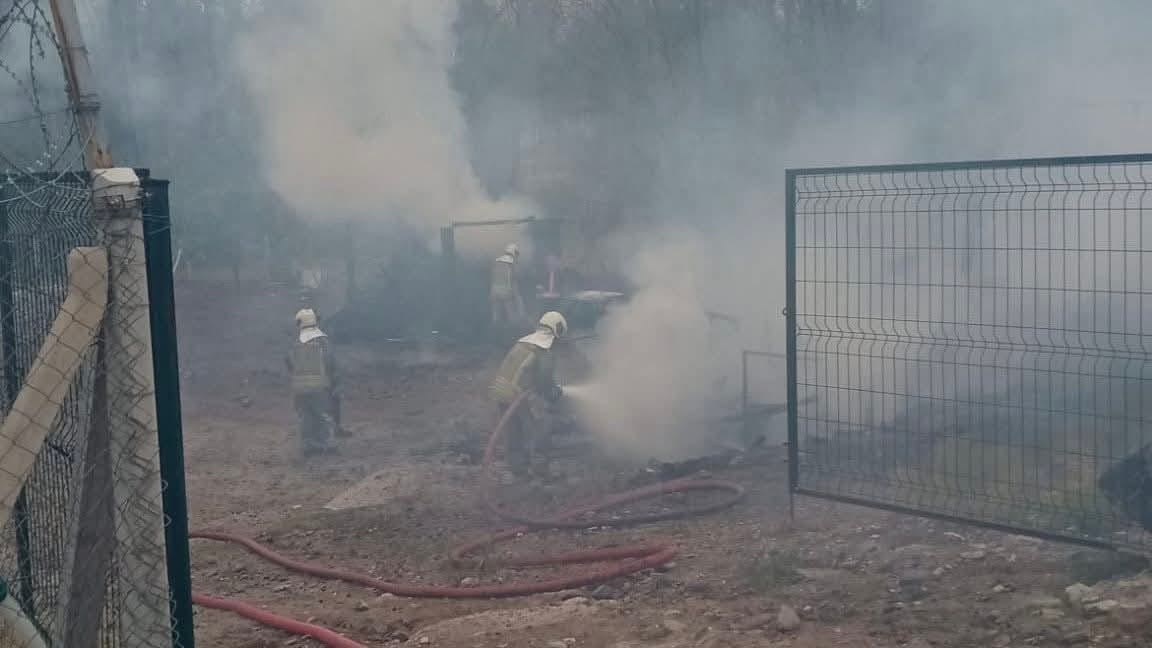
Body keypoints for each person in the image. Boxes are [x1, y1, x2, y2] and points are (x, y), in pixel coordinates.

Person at [489, 311, 567, 477]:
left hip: (501, 390)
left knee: (513, 430)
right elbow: (544, 381)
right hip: (518, 394)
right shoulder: (544, 351)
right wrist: (553, 393)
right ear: (557, 331)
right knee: (542, 426)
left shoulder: (523, 343)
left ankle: (517, 468)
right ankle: (540, 467)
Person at [286, 308, 341, 459]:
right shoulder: (323, 342)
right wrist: (334, 382)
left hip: (299, 388)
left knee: (305, 416)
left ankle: (308, 445)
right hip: (320, 386)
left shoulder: (296, 342)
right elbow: (331, 363)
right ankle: (326, 444)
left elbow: (289, 362)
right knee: (323, 415)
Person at [490, 243, 524, 335]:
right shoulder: (511, 263)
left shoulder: (497, 261)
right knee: (510, 314)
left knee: (496, 315)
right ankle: (512, 334)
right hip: (505, 292)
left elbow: (492, 277)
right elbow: (514, 279)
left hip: (494, 291)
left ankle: (494, 334)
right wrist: (516, 295)